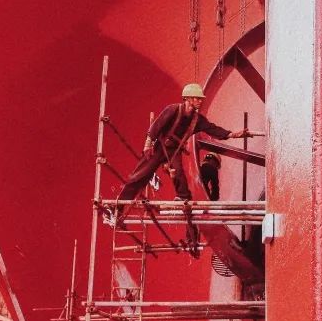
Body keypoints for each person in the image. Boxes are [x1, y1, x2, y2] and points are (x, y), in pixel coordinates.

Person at [105, 83, 248, 226]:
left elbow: (213, 129)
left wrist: (232, 134)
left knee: (179, 174)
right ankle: (117, 207)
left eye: (200, 99)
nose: (200, 101)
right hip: (159, 147)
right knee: (140, 176)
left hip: (174, 151)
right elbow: (157, 126)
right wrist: (148, 144)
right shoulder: (173, 109)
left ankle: (183, 200)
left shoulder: (197, 120)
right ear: (188, 98)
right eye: (197, 98)